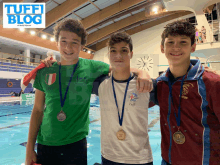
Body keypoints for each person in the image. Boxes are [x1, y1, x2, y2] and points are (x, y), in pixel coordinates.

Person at [25, 18, 152, 165]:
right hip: (46, 143)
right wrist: (29, 148)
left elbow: (119, 68)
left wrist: (143, 72)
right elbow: (37, 110)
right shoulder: (45, 71)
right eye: (64, 41)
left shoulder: (91, 66)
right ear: (57, 42)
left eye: (75, 42)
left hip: (76, 144)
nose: (68, 47)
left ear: (81, 45)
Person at [150, 19, 220, 165]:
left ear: (193, 47)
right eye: (170, 42)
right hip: (167, 160)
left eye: (183, 42)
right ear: (162, 48)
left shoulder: (212, 83)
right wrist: (140, 73)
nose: (176, 47)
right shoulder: (161, 84)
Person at [92, 32, 153, 165]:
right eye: (113, 51)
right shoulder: (100, 84)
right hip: (109, 157)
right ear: (108, 54)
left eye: (124, 51)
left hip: (140, 159)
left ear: (131, 54)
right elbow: (76, 70)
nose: (118, 56)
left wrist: (142, 72)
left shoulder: (146, 84)